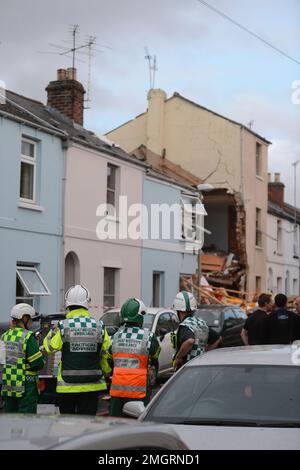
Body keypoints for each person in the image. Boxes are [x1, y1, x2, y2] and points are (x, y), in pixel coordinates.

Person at [43, 285, 111, 415]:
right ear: (87, 302)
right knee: (86, 426)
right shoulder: (99, 325)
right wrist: (107, 372)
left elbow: (50, 348)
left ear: (67, 304)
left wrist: (53, 331)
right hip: (92, 385)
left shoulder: (63, 325)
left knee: (68, 426)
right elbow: (106, 353)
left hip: (67, 387)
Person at [109, 298, 160, 417]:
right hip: (139, 391)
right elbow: (155, 356)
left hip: (118, 391)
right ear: (140, 316)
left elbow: (108, 358)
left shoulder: (115, 337)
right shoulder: (148, 337)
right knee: (137, 426)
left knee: (114, 426)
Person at [0, 303, 44, 413]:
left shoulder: (4, 336)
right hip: (26, 386)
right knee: (26, 422)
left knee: (10, 420)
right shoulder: (28, 336)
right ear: (24, 318)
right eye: (31, 319)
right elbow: (37, 363)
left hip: (8, 386)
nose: (31, 322)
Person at [173, 291, 220, 370]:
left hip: (188, 368)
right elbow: (217, 338)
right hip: (201, 366)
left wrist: (178, 357)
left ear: (178, 310)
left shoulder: (185, 325)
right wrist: (204, 353)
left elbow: (190, 341)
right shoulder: (200, 323)